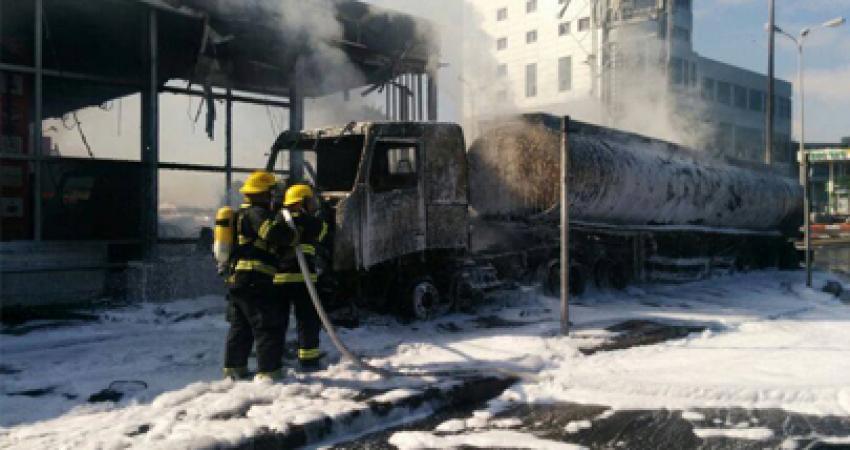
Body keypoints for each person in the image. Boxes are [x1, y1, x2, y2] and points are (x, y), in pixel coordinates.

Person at [222, 170, 300, 382]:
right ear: (264, 193)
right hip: (255, 279)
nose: (275, 196)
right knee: (268, 325)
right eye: (273, 192)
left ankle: (234, 369)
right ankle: (269, 373)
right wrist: (292, 235)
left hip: (240, 279)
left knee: (241, 327)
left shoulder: (242, 213)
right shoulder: (257, 213)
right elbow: (272, 234)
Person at [274, 183, 329, 371]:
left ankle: (274, 357)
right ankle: (309, 360)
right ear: (300, 203)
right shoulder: (312, 223)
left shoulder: (278, 220)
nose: (314, 205)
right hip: (304, 280)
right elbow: (323, 233)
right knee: (308, 320)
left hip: (279, 279)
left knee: (277, 321)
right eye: (310, 201)